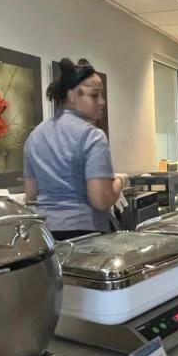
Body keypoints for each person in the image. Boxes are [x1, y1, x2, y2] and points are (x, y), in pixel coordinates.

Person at [22, 58, 124, 240]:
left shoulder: (35, 135)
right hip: (86, 234)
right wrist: (119, 183)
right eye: (94, 95)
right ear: (72, 95)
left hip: (46, 235)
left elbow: (31, 194)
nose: (102, 102)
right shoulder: (92, 136)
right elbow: (100, 200)